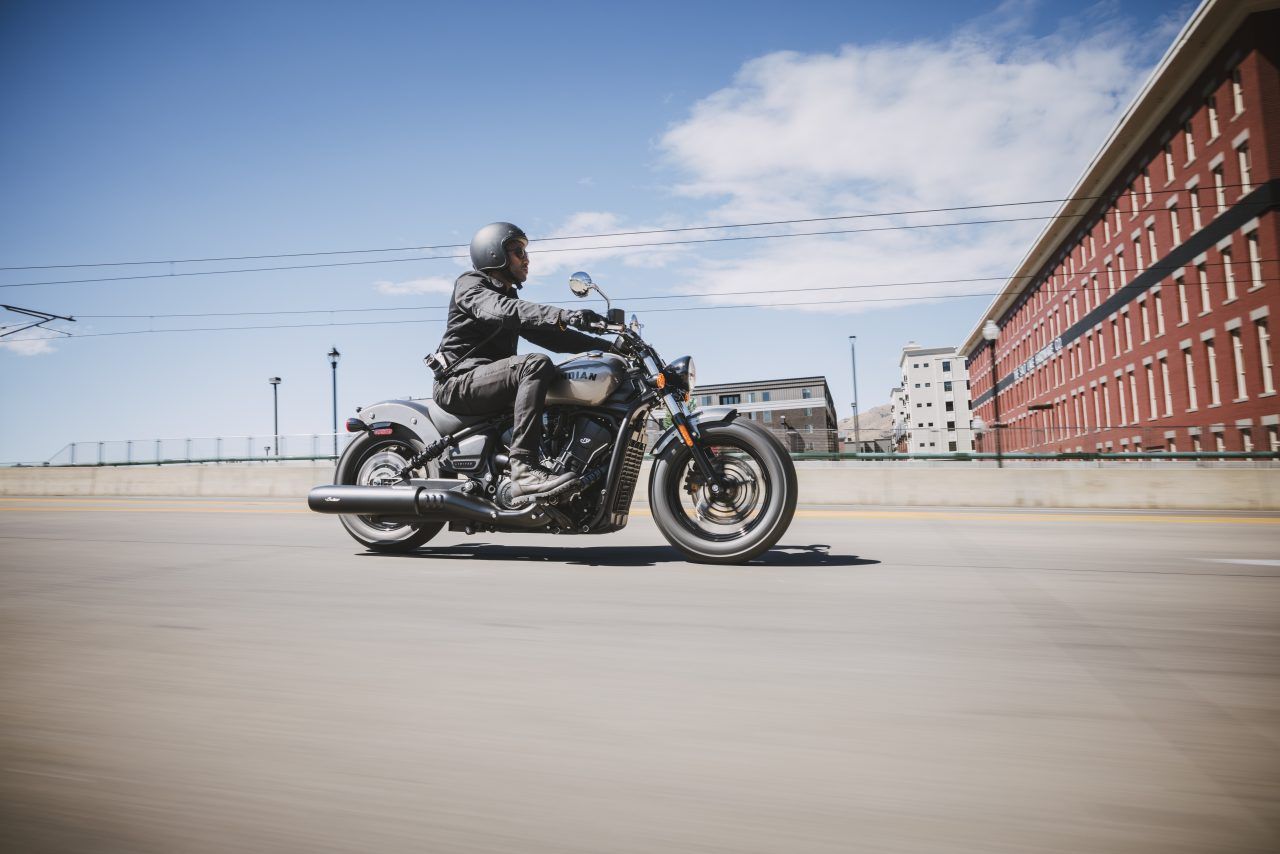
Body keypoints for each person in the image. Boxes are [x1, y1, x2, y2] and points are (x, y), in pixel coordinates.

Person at [429, 222, 614, 500]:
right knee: (536, 364)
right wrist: (564, 314)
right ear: (494, 254)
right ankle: (524, 469)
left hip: (490, 384)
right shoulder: (471, 285)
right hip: (458, 382)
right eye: (518, 251)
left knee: (561, 372)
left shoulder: (510, 299)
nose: (526, 259)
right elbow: (500, 311)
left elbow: (555, 338)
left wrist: (611, 347)